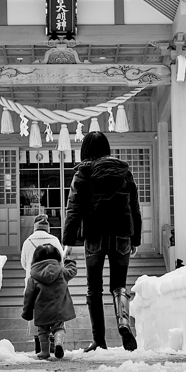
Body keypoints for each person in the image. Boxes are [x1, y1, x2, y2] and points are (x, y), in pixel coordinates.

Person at [62, 131, 142, 351]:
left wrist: (68, 242)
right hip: (122, 234)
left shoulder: (83, 172)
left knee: (94, 289)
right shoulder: (124, 171)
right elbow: (134, 207)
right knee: (119, 285)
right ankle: (123, 324)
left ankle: (99, 340)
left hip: (95, 235)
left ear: (85, 150)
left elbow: (74, 208)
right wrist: (135, 238)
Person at [21, 244, 77, 359]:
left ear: (35, 259)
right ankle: (58, 342)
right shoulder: (61, 271)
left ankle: (44, 352)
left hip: (42, 311)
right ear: (57, 257)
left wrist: (27, 312)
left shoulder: (33, 277)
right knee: (59, 328)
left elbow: (28, 295)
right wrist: (68, 260)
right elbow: (72, 271)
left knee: (42, 331)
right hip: (59, 310)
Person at [20, 214, 63, 354]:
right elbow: (61, 262)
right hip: (54, 285)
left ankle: (39, 346)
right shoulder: (54, 240)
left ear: (35, 227)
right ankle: (54, 342)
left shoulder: (27, 242)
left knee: (37, 315)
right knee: (55, 315)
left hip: (33, 283)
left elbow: (23, 263)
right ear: (47, 228)